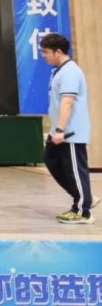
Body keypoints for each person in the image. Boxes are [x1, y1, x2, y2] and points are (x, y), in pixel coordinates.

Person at [40, 33, 98, 224]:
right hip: (59, 131)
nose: (43, 56)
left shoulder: (70, 72)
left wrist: (60, 130)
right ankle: (85, 196)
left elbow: (67, 102)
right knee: (51, 160)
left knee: (74, 170)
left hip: (69, 132)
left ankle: (82, 212)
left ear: (58, 52)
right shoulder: (58, 71)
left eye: (46, 52)